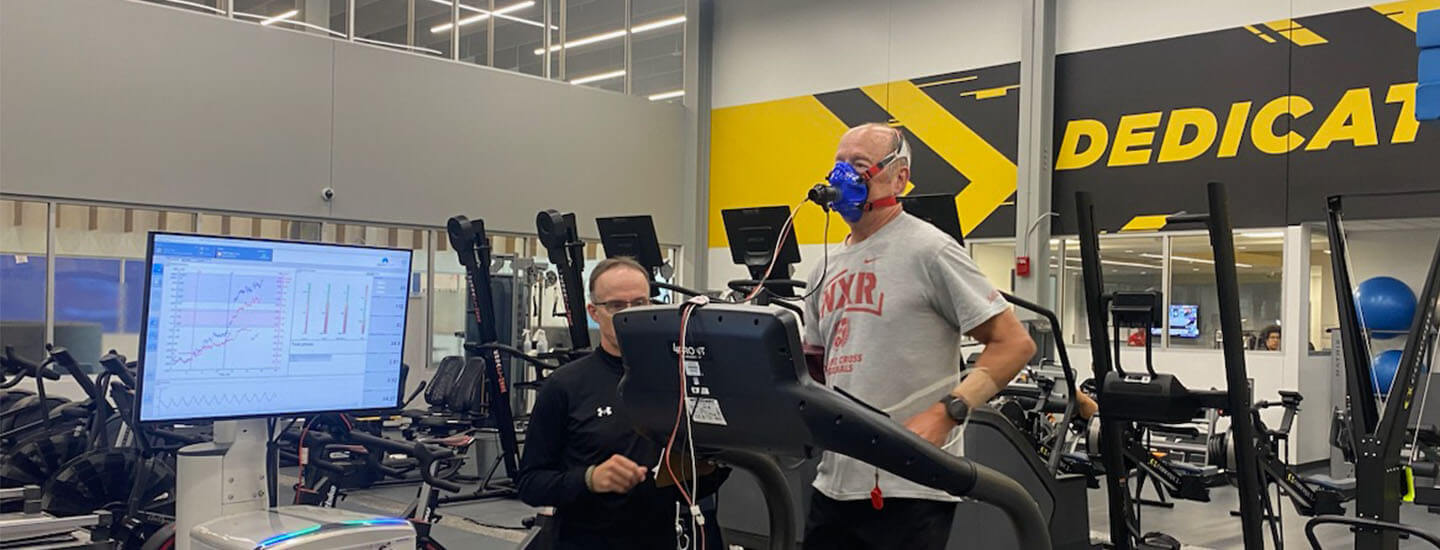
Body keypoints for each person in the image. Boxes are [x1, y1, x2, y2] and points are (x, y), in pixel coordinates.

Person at [800, 123, 1037, 549]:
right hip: (834, 483)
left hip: (909, 483)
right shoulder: (824, 268)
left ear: (899, 178)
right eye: (838, 164)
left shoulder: (930, 250)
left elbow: (1014, 343)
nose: (843, 176)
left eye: (859, 164)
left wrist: (948, 412)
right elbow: (815, 372)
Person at [517, 257, 726, 549]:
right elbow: (530, 484)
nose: (630, 314)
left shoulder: (676, 381)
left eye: (639, 303)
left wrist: (723, 459)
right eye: (616, 306)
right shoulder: (564, 386)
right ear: (594, 312)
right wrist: (589, 479)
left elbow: (694, 485)